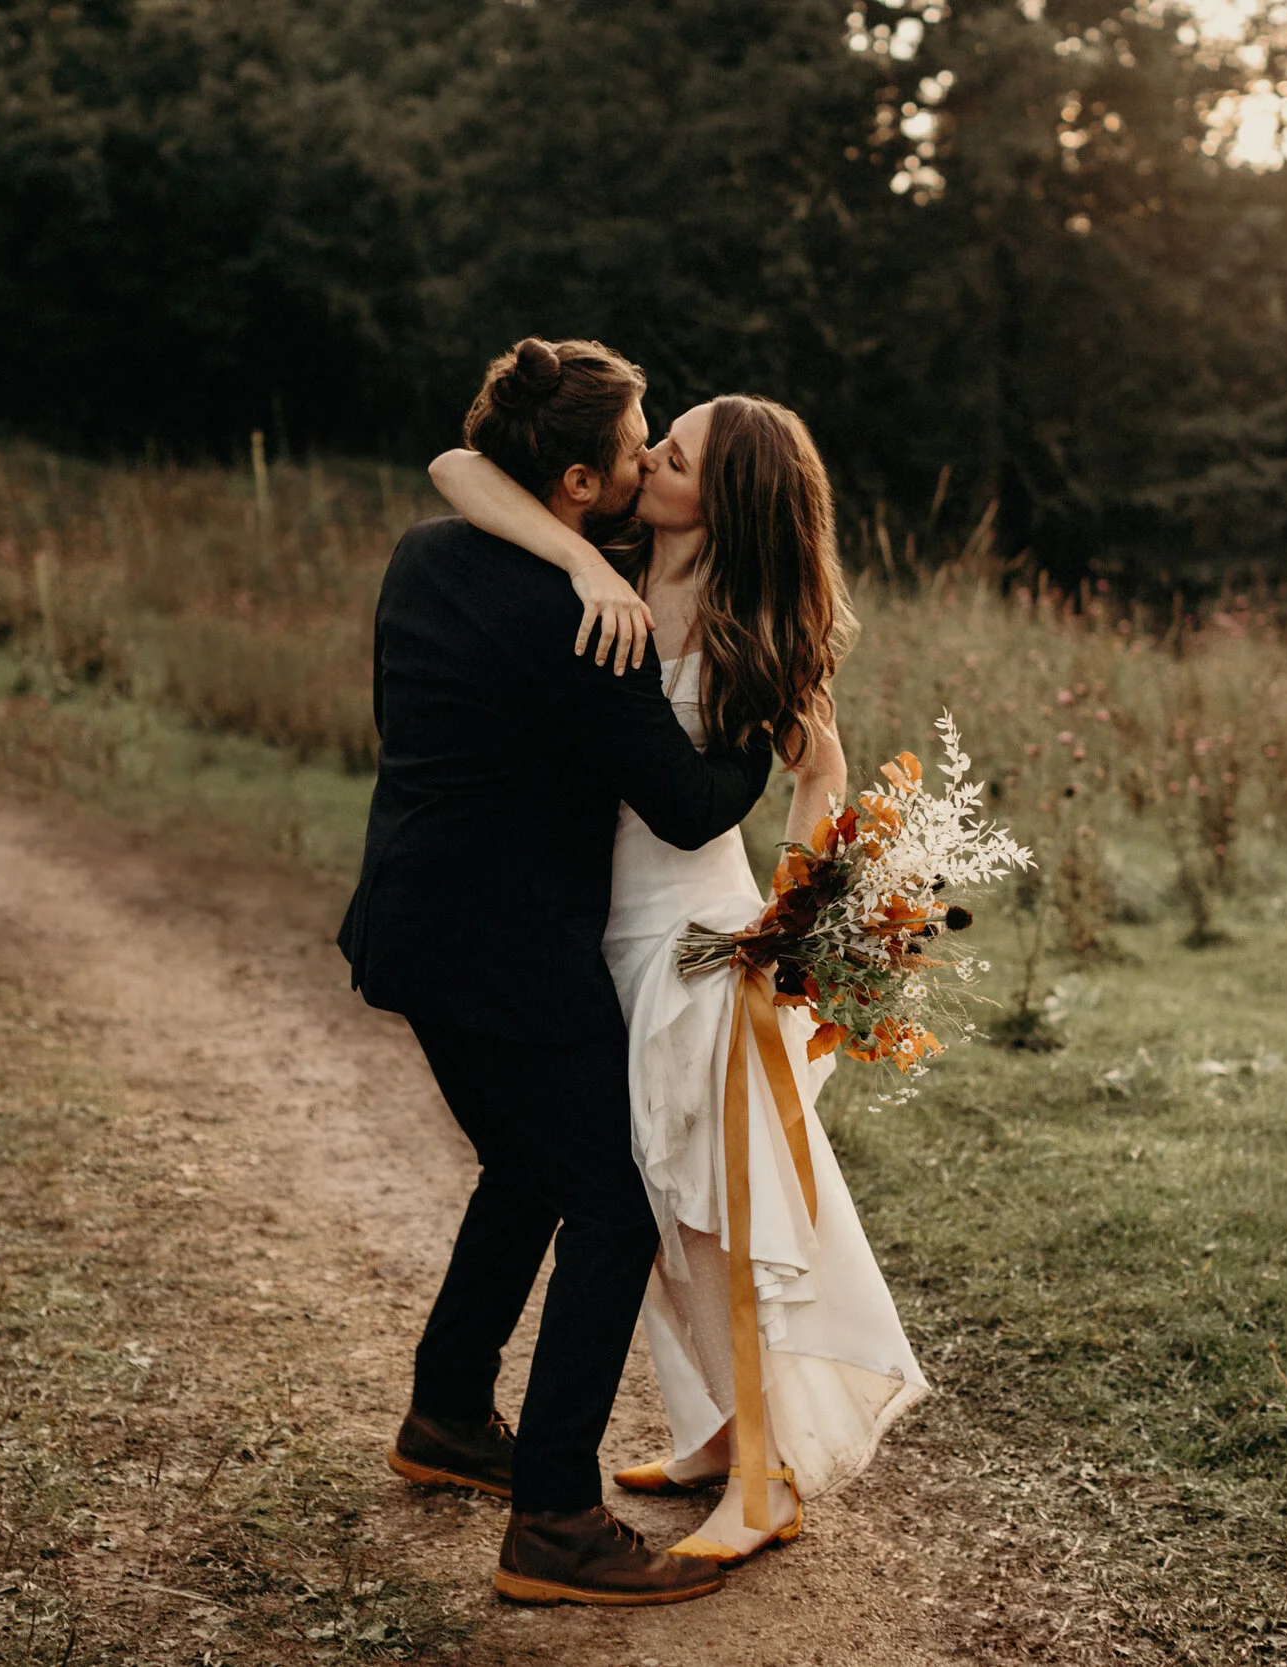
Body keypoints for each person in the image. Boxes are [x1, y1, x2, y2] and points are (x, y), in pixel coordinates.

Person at [426, 380, 931, 1565]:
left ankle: (764, 1484)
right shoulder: (607, 560)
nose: (644, 455)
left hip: (696, 946)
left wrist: (784, 944)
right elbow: (457, 471)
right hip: (595, 940)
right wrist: (584, 563)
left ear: (730, 496)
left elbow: (820, 789)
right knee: (648, 1209)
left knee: (713, 1223)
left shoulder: (758, 636)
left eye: (676, 452)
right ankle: (711, 1432)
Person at [339, 338, 770, 1607]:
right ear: (579, 482)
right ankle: (556, 1520)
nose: (650, 458)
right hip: (508, 954)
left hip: (407, 921)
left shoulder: (428, 553)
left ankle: (448, 1413)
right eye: (639, 443)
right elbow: (690, 809)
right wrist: (772, 722)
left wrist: (582, 552)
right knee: (612, 1200)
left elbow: (457, 469)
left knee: (530, 1167)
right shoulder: (590, 626)